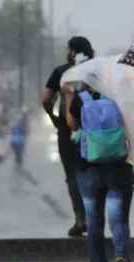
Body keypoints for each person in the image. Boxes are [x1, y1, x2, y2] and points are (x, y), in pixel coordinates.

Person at [66, 81, 134, 262]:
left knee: (94, 221)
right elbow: (131, 126)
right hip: (118, 168)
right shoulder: (117, 98)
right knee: (118, 219)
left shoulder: (81, 99)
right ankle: (121, 255)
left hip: (89, 170)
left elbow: (72, 125)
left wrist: (69, 94)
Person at [41, 36, 94, 237]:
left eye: (68, 49)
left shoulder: (62, 72)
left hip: (68, 131)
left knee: (73, 176)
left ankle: (81, 218)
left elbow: (46, 99)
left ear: (72, 52)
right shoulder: (97, 71)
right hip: (95, 133)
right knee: (92, 174)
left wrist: (54, 118)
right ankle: (95, 217)